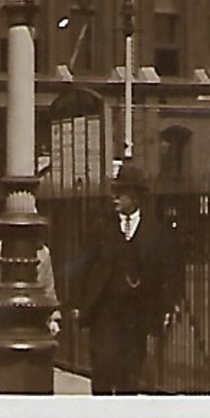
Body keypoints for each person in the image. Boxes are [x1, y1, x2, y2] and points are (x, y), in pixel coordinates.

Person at [76, 164, 181, 394]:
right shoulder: (101, 227)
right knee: (103, 368)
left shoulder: (155, 231)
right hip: (105, 311)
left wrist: (168, 306)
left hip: (137, 315)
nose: (114, 197)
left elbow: (168, 271)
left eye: (120, 193)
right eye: (114, 191)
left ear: (134, 197)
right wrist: (78, 302)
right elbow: (84, 267)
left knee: (130, 374)